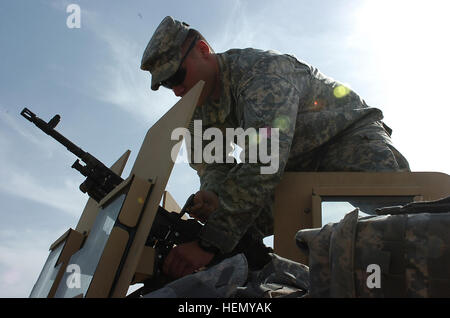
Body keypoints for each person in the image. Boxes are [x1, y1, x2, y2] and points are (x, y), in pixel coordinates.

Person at [140, 16, 410, 279]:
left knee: (406, 223)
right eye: (166, 84)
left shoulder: (260, 72)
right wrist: (212, 196)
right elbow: (214, 166)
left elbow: (263, 159)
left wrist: (209, 244)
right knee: (240, 236)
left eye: (177, 75)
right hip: (290, 166)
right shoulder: (199, 110)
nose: (176, 90)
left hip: (347, 139)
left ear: (202, 50)